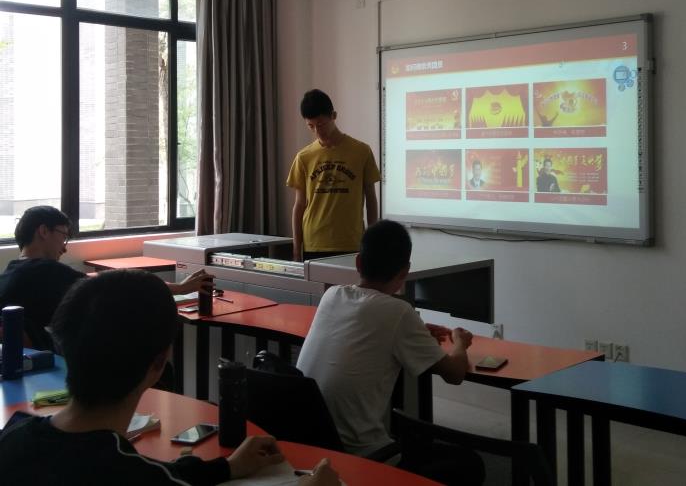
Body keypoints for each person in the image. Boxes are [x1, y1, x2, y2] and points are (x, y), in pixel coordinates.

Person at [0, 269, 339, 486]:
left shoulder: (13, 436)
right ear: (159, 363)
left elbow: (157, 471)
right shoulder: (133, 474)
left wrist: (227, 467)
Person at [296, 219, 474, 457]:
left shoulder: (332, 294)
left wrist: (415, 332)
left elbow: (371, 328)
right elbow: (455, 374)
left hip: (309, 443)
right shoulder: (398, 313)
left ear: (358, 262)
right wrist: (460, 342)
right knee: (468, 461)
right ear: (405, 271)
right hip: (362, 456)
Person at [0, 206, 212, 350]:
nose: (64, 248)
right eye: (63, 237)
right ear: (43, 231)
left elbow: (94, 281)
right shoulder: (46, 271)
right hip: (47, 363)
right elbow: (114, 284)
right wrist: (180, 288)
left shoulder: (12, 272)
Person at [286, 90, 380, 262]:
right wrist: (296, 247)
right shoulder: (304, 157)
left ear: (333, 116)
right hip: (314, 242)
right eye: (311, 126)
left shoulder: (361, 151)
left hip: (350, 241)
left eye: (321, 124)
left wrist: (372, 239)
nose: (317, 131)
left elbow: (371, 199)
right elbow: (299, 205)